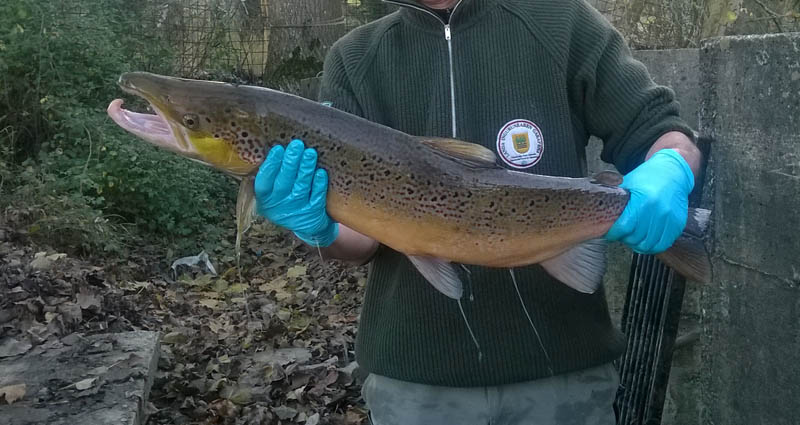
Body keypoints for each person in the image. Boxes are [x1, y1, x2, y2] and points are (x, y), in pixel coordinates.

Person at [254, 0, 702, 423]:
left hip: (562, 371)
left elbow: (660, 129)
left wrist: (671, 169)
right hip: (415, 381)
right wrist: (318, 227)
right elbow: (362, 241)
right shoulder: (355, 58)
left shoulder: (561, 20)